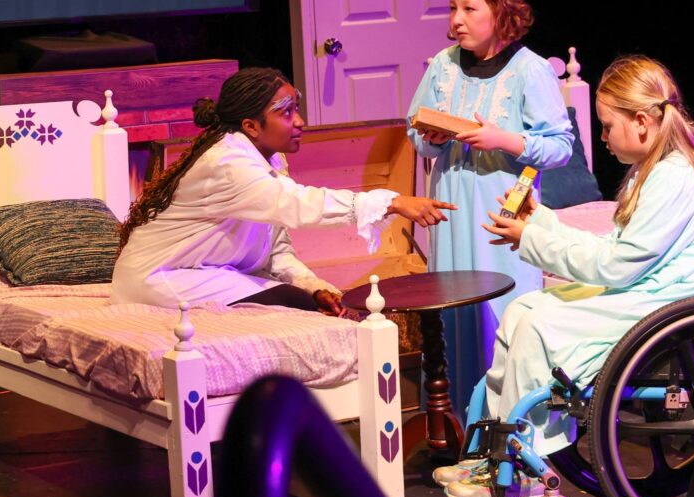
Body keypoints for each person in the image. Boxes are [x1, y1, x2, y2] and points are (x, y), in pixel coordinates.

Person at [434, 54, 694, 497]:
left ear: (641, 121)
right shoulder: (656, 169)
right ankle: (494, 451)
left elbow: (617, 265)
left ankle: (521, 469)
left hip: (674, 305)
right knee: (524, 309)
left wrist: (533, 237)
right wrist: (545, 223)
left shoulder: (674, 177)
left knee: (538, 326)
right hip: (653, 291)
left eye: (606, 125)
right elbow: (618, 247)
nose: (601, 136)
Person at [112, 67, 455, 313]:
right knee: (292, 304)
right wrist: (390, 201)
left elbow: (276, 250)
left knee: (303, 299)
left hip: (206, 272)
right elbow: (297, 204)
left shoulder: (270, 159)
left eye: (297, 109)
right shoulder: (228, 164)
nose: (300, 121)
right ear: (251, 126)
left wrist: (312, 284)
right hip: (159, 278)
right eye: (287, 112)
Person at [406, 0, 574, 408]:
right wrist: (434, 137)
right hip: (451, 207)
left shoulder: (529, 70)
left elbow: (561, 146)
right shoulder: (443, 65)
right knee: (452, 313)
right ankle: (456, 424)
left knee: (501, 315)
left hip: (501, 211)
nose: (456, 21)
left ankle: (509, 428)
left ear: (501, 13)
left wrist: (505, 139)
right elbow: (414, 133)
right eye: (453, 8)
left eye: (469, 9)